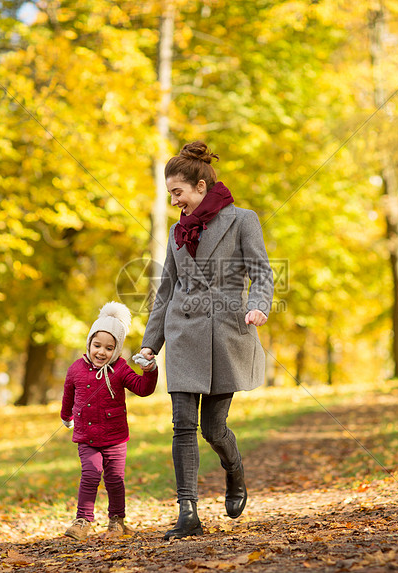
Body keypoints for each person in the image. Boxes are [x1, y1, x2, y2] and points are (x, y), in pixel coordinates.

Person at [140, 140, 274, 540]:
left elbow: (262, 272)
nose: (173, 201)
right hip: (183, 334)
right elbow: (167, 289)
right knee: (182, 425)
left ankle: (234, 470)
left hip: (225, 333)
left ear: (200, 187)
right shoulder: (176, 231)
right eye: (169, 194)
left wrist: (259, 305)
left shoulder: (243, 220)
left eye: (177, 192)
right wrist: (151, 344)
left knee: (213, 429)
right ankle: (187, 512)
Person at [61, 301, 158, 541]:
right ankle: (82, 520)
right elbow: (68, 394)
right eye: (97, 345)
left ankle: (117, 520)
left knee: (114, 479)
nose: (101, 352)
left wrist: (150, 371)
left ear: (116, 349)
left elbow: (143, 389)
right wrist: (66, 416)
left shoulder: (121, 369)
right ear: (89, 344)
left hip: (115, 437)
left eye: (108, 347)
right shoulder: (76, 369)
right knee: (91, 473)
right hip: (87, 437)